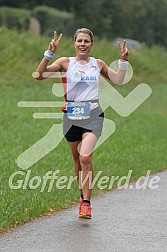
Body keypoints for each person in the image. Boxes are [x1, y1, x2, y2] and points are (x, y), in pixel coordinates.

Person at [35, 28, 129, 219]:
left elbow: (119, 79)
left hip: (93, 114)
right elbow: (39, 75)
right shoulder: (65, 62)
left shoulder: (98, 64)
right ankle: (81, 197)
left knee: (85, 157)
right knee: (77, 161)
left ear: (91, 44)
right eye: (79, 41)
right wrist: (49, 53)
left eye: (86, 41)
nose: (83, 44)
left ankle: (86, 204)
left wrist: (123, 61)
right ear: (74, 43)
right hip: (71, 116)